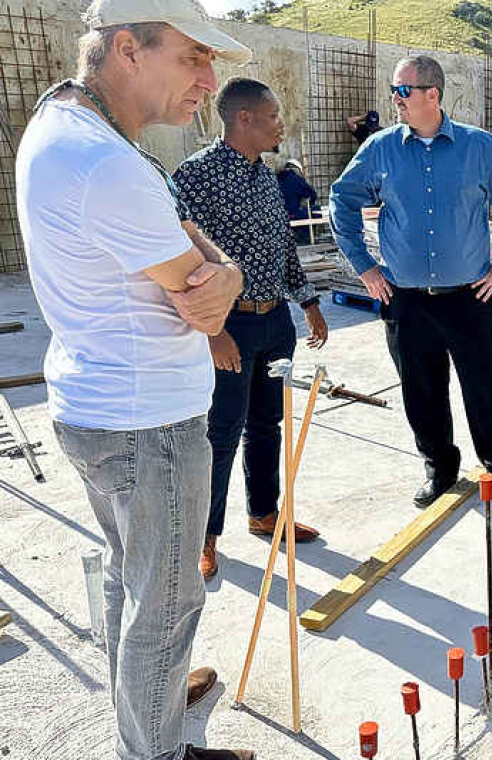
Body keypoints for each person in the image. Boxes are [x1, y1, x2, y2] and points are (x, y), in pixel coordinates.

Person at [15, 1, 256, 758]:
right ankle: (154, 747)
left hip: (104, 407)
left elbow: (183, 238)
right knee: (170, 602)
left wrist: (214, 265)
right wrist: (232, 269)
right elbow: (206, 296)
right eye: (192, 58)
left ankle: (144, 708)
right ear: (128, 48)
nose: (207, 81)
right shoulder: (102, 162)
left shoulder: (70, 125)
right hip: (145, 421)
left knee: (134, 583)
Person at [329, 55, 492, 506]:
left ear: (432, 95)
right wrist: (364, 267)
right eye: (394, 91)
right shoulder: (380, 149)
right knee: (421, 394)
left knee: (484, 388)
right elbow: (340, 200)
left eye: (402, 91)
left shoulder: (476, 148)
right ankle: (439, 465)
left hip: (469, 297)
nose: (395, 100)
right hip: (406, 300)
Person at [174, 77, 329, 581]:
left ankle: (264, 514)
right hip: (230, 324)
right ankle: (206, 536)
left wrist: (306, 302)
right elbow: (184, 261)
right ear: (243, 119)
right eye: (273, 116)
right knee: (221, 433)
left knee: (267, 425)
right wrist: (212, 329)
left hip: (274, 324)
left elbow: (282, 245)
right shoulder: (196, 177)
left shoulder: (267, 175)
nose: (281, 124)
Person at [277, 157, 319, 242]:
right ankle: (305, 237)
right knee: (316, 210)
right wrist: (309, 203)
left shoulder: (275, 178)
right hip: (292, 215)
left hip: (278, 216)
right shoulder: (295, 178)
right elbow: (312, 194)